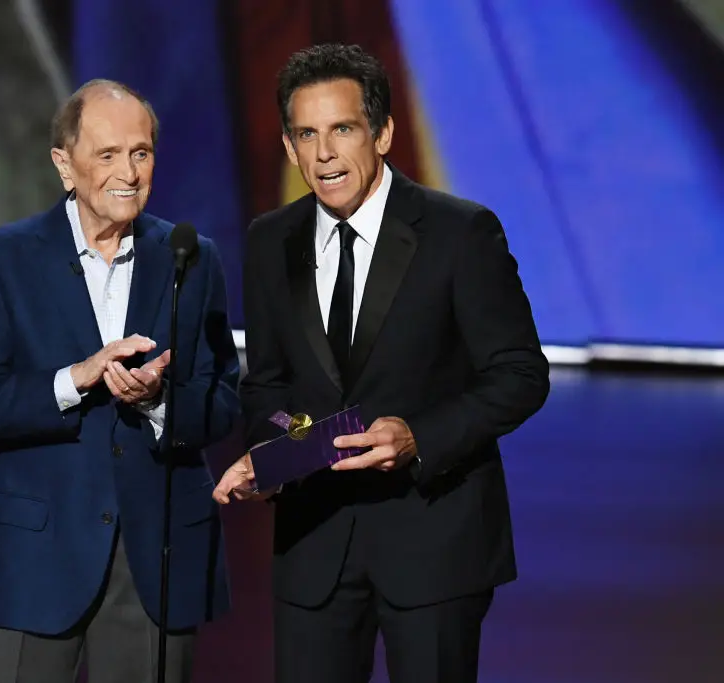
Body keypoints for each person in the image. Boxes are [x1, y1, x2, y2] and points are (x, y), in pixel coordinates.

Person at [213, 44, 550, 683]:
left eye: (342, 129)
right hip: (315, 547)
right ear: (288, 147)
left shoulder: (461, 233)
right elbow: (265, 385)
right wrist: (289, 448)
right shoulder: (270, 240)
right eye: (306, 135)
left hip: (433, 544)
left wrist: (420, 435)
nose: (324, 153)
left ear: (384, 132)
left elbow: (520, 374)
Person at [0, 79, 240, 683]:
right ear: (65, 164)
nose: (128, 173)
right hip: (35, 558)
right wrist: (76, 379)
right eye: (107, 154)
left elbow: (221, 401)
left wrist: (160, 402)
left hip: (153, 558)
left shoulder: (190, 257)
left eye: (141, 152)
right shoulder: (5, 257)